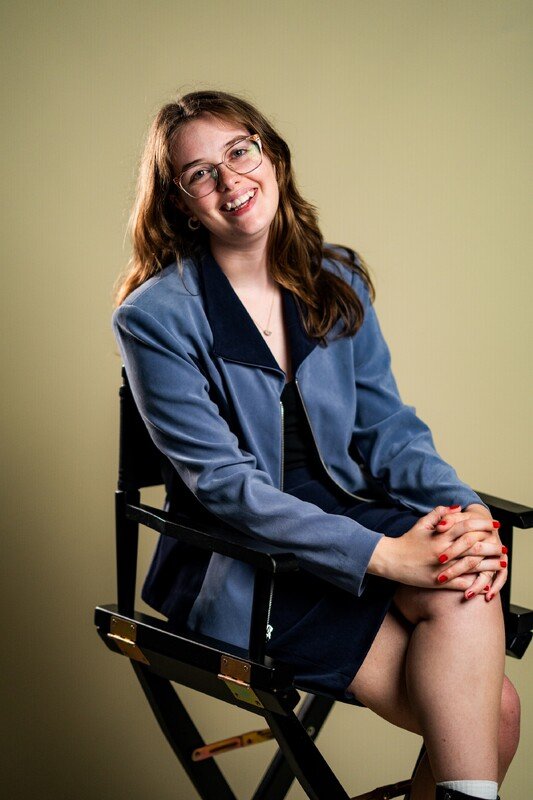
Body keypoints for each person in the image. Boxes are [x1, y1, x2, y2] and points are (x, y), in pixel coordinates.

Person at [112, 90, 520, 800]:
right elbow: (224, 487)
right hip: (240, 556)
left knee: (464, 580)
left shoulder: (336, 278)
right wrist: (384, 555)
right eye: (200, 173)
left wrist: (467, 514)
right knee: (498, 714)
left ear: (271, 155)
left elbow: (388, 433)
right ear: (181, 203)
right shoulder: (154, 317)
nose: (230, 180)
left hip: (347, 512)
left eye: (240, 151)